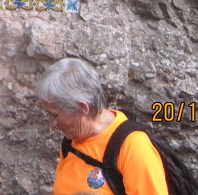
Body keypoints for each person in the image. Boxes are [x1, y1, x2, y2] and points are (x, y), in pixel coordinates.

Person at [36, 58, 168, 195]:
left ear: (82, 108)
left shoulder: (134, 146)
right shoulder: (71, 141)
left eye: (55, 115)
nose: (52, 124)